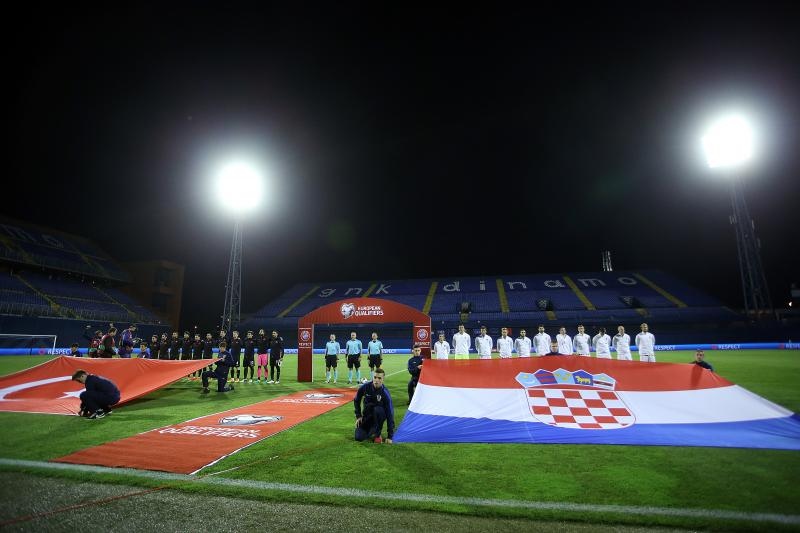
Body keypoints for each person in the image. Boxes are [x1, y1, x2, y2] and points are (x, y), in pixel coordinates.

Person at [354, 368, 394, 444]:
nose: (376, 380)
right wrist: (358, 416)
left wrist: (390, 436)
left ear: (383, 379)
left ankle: (377, 434)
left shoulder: (385, 393)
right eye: (375, 377)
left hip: (379, 416)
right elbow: (356, 400)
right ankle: (372, 430)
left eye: (379, 378)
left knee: (377, 409)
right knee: (358, 437)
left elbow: (390, 414)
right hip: (367, 417)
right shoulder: (365, 387)